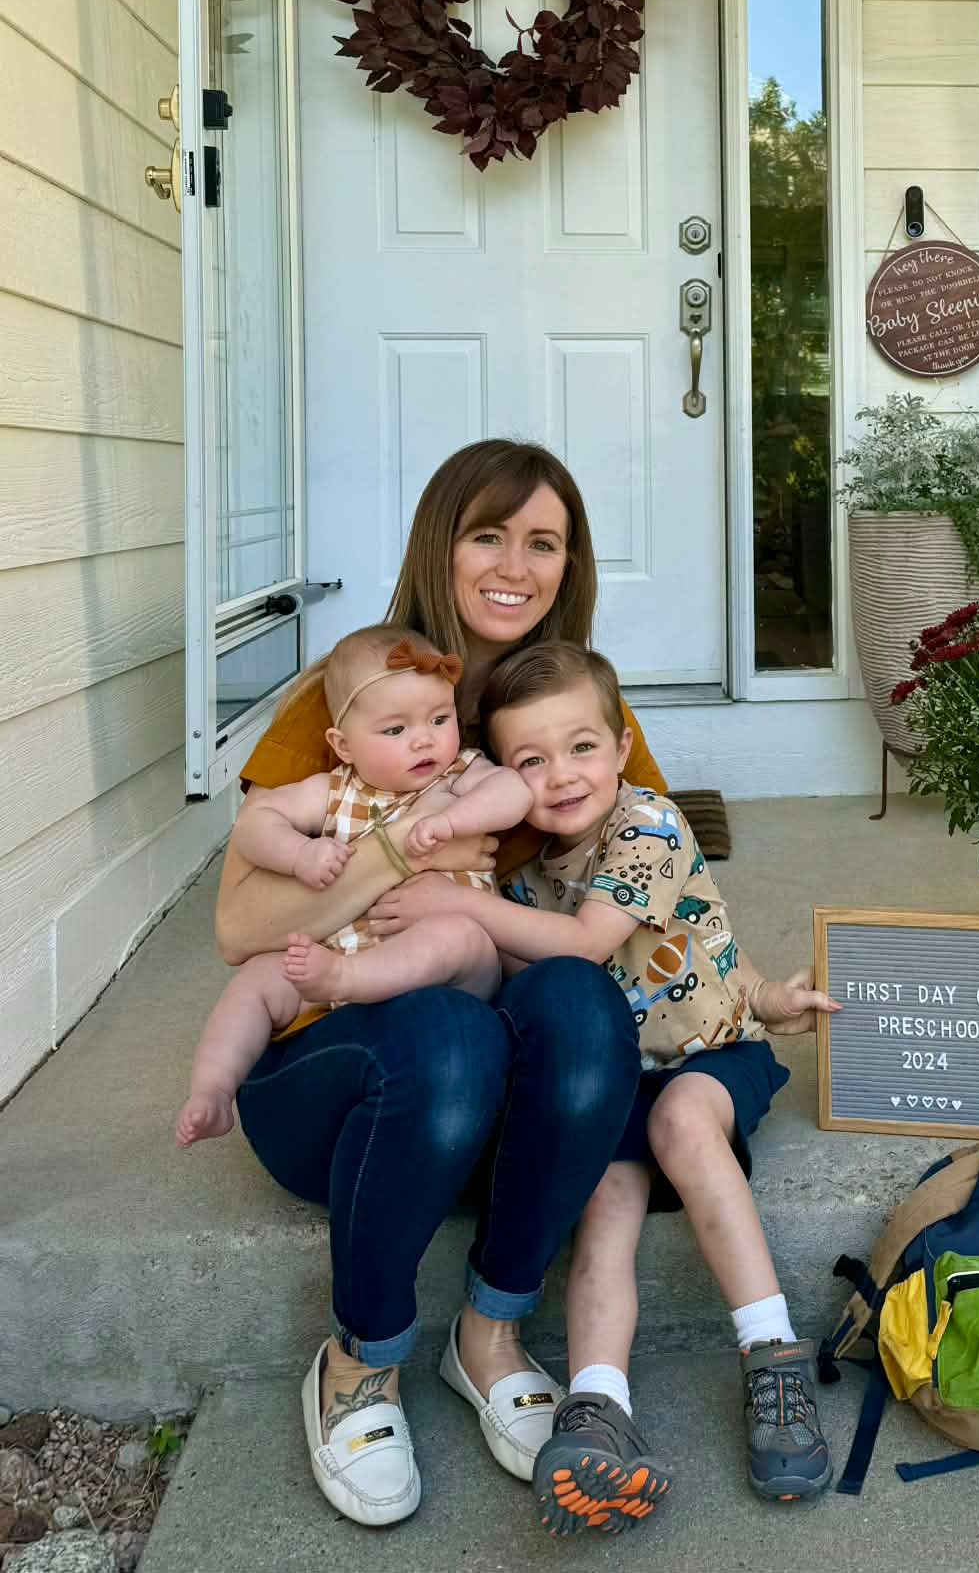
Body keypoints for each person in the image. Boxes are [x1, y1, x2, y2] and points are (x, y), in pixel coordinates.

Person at [218, 442, 665, 1527]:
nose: (515, 565)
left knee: (580, 1001)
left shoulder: (577, 710)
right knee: (448, 1035)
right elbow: (238, 928)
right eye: (487, 535)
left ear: (570, 565)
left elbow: (650, 889)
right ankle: (358, 1361)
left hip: (509, 1118)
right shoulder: (348, 693)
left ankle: (490, 1334)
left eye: (542, 542)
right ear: (440, 546)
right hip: (347, 1086)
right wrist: (400, 847)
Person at [370, 641, 840, 1534]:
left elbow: (599, 943)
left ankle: (771, 1355)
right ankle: (597, 1410)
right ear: (500, 776)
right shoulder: (519, 878)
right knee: (604, 1199)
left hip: (708, 1055)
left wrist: (767, 1002)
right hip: (618, 1081)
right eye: (529, 760)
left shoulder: (648, 822)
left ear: (623, 745)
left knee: (683, 1126)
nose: (561, 775)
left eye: (582, 746)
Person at [175, 626, 530, 1150]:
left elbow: (514, 791)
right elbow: (254, 825)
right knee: (258, 979)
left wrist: (452, 821)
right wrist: (299, 854)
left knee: (458, 936)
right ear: (343, 745)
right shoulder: (334, 790)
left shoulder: (459, 774)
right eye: (395, 729)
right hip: (343, 953)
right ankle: (213, 1090)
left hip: (446, 976)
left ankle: (348, 980)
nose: (424, 740)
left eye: (440, 719)